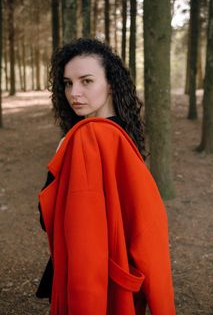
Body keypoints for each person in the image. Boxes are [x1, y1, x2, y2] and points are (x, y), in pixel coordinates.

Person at [36, 38, 176, 314]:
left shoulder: (86, 138)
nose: (74, 92)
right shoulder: (123, 135)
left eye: (86, 81)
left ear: (110, 83)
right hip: (118, 283)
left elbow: (64, 228)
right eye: (67, 83)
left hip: (92, 287)